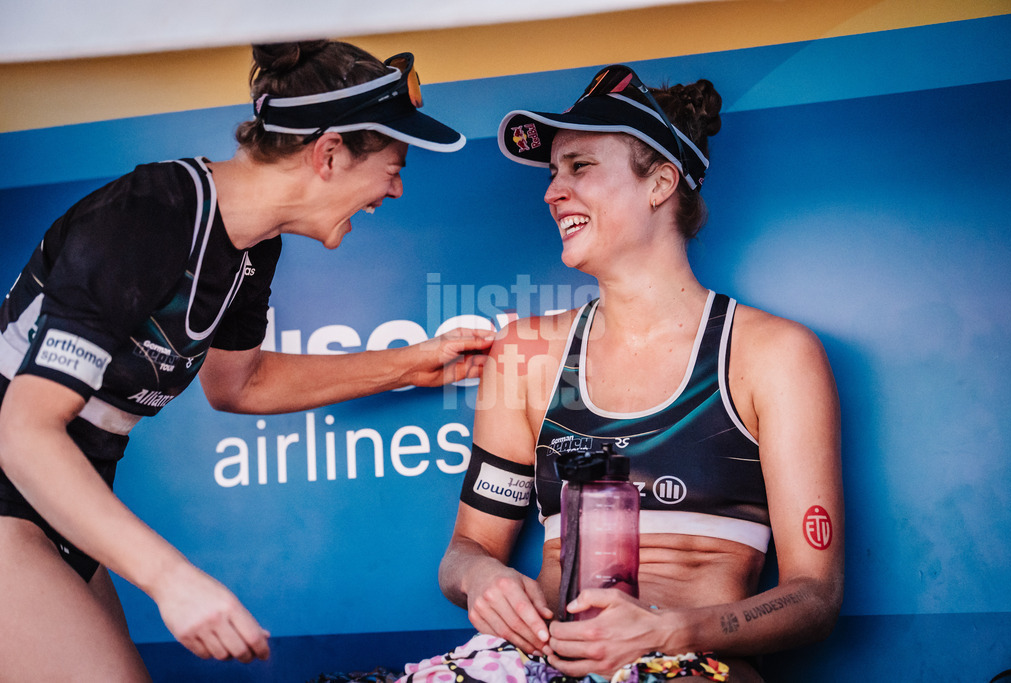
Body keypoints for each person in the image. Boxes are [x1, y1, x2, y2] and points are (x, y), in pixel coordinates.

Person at [0, 40, 492, 681]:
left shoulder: (250, 247)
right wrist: (170, 580)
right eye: (394, 166)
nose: (395, 191)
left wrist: (411, 364)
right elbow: (23, 433)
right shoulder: (148, 216)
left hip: (61, 500)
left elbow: (240, 383)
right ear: (329, 153)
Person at [402, 64, 843, 682]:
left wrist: (667, 630)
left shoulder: (773, 353)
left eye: (580, 167)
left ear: (661, 181)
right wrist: (483, 577)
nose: (553, 192)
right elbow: (465, 553)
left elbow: (814, 597)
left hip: (689, 665)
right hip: (541, 666)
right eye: (554, 173)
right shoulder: (526, 350)